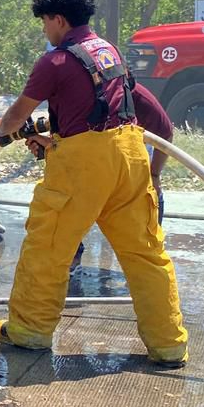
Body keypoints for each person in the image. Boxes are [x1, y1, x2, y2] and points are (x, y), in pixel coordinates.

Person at [0, 0, 188, 367]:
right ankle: (169, 345)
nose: (45, 31)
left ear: (58, 19)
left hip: (83, 171)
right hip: (130, 162)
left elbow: (17, 116)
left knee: (47, 249)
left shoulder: (55, 61)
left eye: (45, 23)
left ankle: (29, 332)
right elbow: (161, 126)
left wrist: (2, 130)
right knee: (147, 255)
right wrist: (154, 175)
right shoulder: (110, 54)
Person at [62, 60, 174, 268]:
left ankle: (149, 254)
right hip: (91, 159)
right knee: (67, 201)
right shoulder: (82, 96)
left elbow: (165, 132)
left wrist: (155, 174)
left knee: (148, 202)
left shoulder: (138, 97)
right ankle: (70, 257)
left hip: (131, 160)